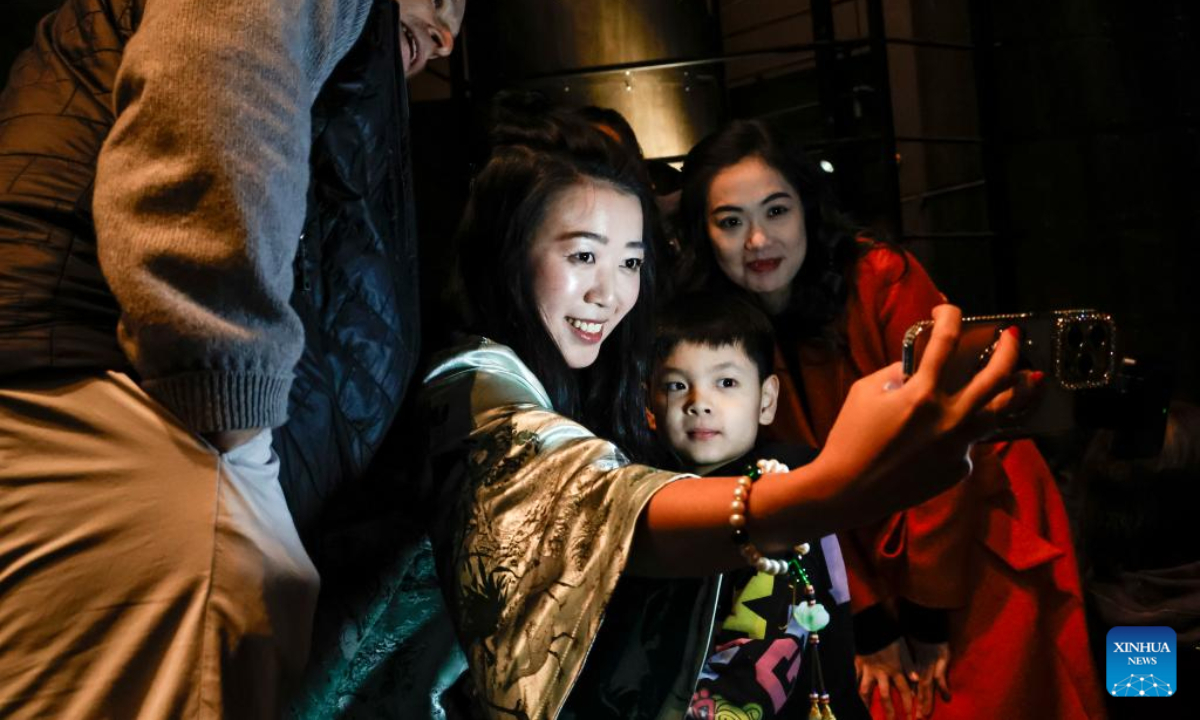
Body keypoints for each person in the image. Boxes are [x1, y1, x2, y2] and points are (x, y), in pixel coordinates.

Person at [408, 106, 1031, 719]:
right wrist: (831, 490)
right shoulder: (473, 386)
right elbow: (605, 507)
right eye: (582, 256)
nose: (610, 292)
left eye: (630, 261)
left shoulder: (870, 280)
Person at [0, 0, 462, 716]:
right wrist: (233, 420)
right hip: (150, 437)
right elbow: (210, 86)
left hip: (114, 428)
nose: (447, 34)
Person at [679, 118, 1106, 719]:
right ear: (703, 231)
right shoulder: (714, 327)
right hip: (852, 540)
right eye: (730, 221)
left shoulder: (880, 276)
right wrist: (872, 620)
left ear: (807, 210)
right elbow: (791, 480)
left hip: (970, 508)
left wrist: (927, 612)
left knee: (991, 695)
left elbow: (952, 441)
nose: (757, 240)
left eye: (777, 211)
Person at [648, 291, 866, 719]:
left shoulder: (779, 489)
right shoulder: (656, 493)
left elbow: (757, 662)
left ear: (766, 400)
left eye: (726, 383)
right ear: (648, 405)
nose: (699, 402)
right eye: (676, 385)